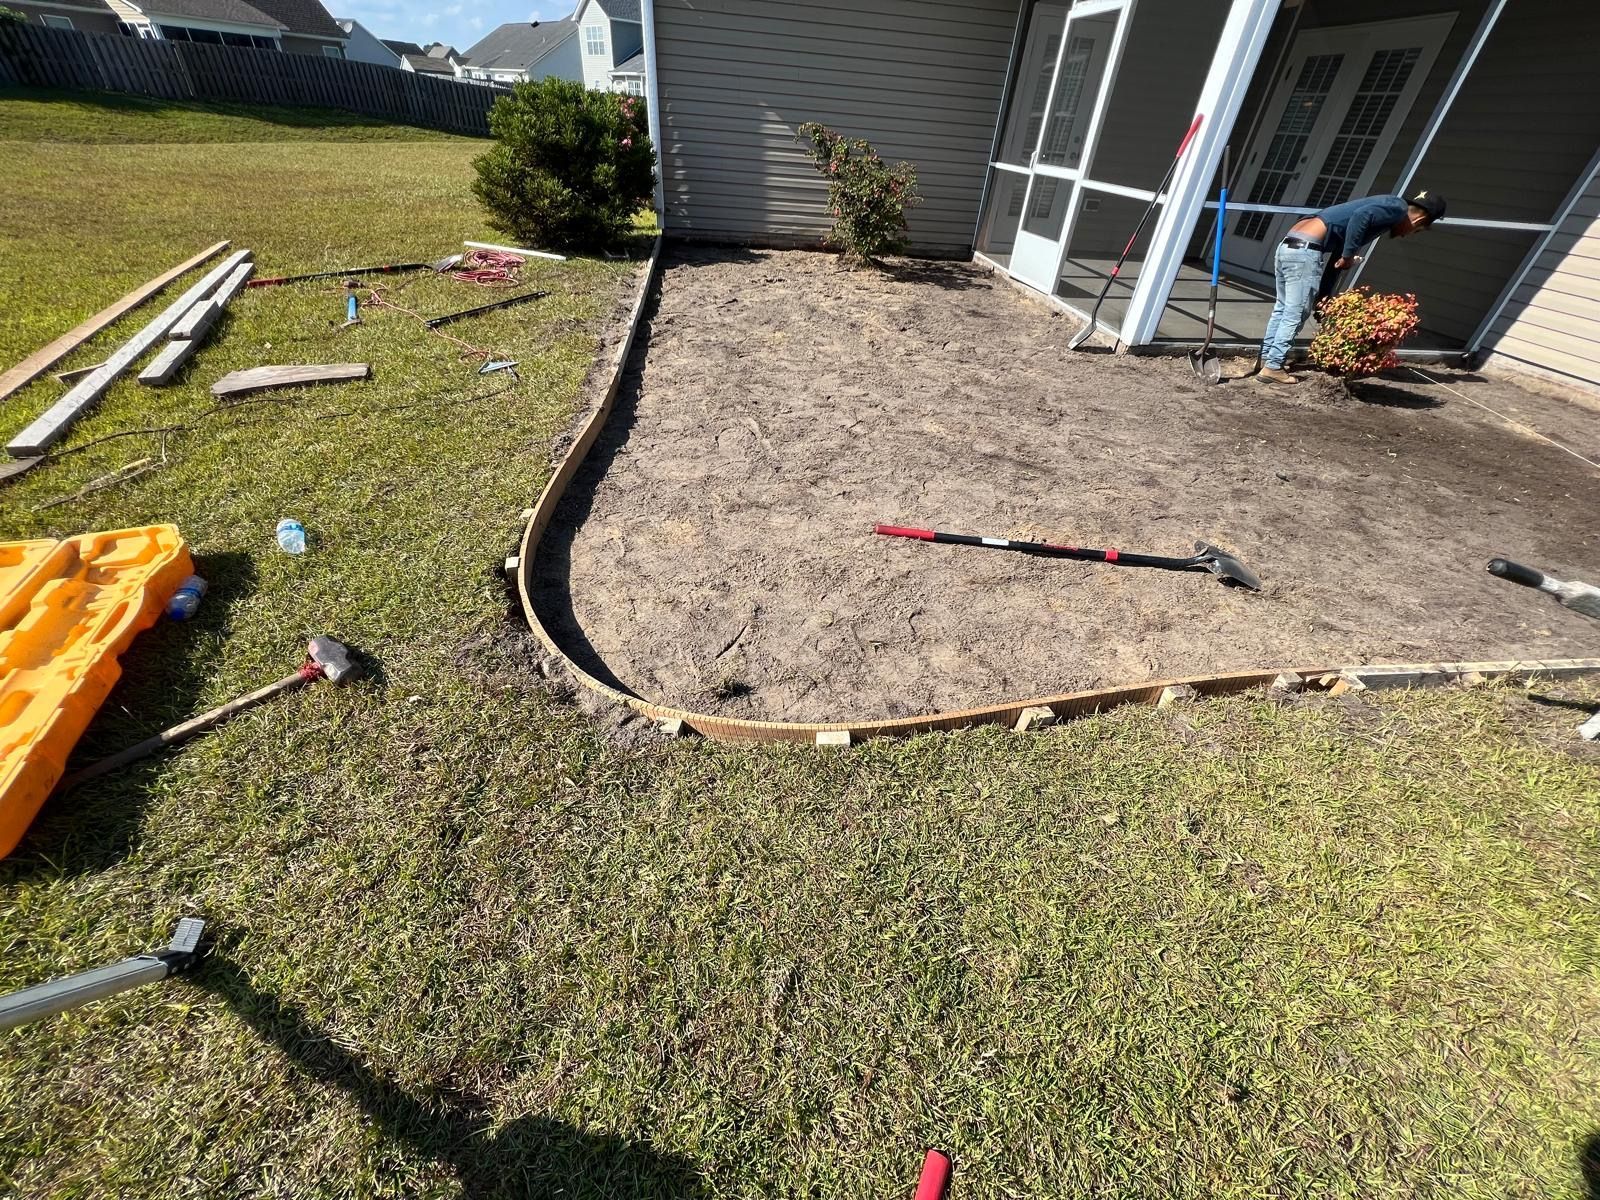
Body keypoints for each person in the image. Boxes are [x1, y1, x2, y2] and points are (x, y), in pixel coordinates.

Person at [1255, 190, 1446, 386]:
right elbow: (1359, 219)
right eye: (1416, 230)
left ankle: (1266, 359)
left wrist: (1323, 299)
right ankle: (1273, 366)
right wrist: (1348, 256)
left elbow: (1336, 263)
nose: (1406, 235)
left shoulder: (1379, 212)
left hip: (1289, 246)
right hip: (1305, 251)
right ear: (1420, 219)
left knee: (1283, 308)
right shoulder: (1397, 208)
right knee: (1295, 313)